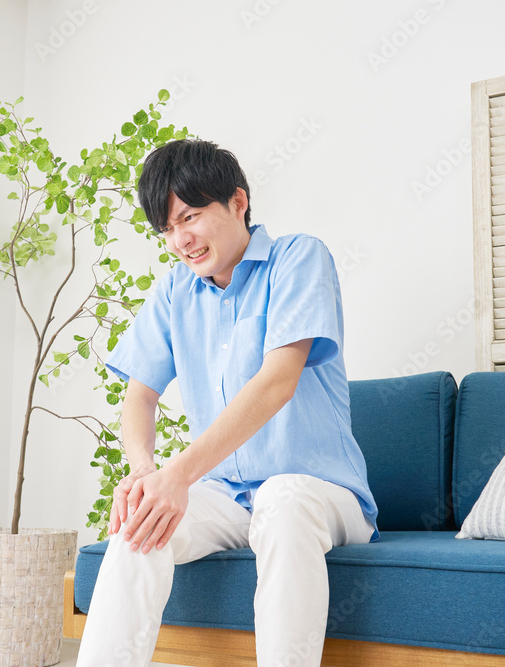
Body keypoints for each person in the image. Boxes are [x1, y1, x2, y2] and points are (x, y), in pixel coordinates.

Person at [75, 139, 378, 667]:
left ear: (238, 202)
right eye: (167, 228)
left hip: (320, 492)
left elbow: (278, 381)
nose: (180, 240)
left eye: (189, 217)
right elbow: (139, 395)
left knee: (282, 498)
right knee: (139, 522)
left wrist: (178, 474)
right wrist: (146, 474)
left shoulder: (298, 257)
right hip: (228, 497)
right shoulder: (175, 291)